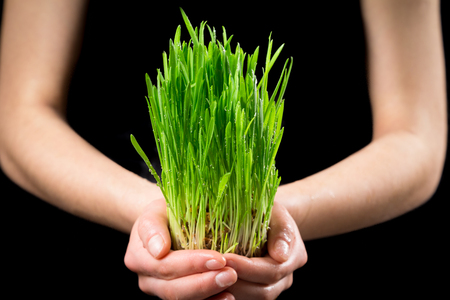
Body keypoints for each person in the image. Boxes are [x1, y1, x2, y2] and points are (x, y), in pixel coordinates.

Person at [0, 1, 446, 299]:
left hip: (332, 251)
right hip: (100, 248)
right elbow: (20, 114)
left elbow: (415, 136)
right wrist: (162, 216)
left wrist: (273, 218)